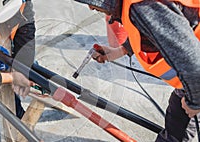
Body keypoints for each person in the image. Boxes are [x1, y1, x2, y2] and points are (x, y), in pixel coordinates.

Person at [73, 0, 200, 141]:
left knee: (177, 131)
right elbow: (151, 29)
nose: (91, 7)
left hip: (196, 77)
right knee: (177, 113)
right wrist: (120, 50)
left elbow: (193, 63)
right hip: (191, 78)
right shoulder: (139, 7)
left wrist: (194, 102)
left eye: (91, 2)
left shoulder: (144, 7)